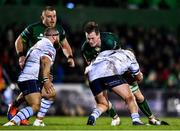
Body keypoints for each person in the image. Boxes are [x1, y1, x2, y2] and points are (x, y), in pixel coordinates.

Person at [81, 21, 169, 125]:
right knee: (111, 99)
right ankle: (119, 118)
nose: (90, 41)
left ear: (98, 35)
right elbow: (92, 64)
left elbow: (118, 55)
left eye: (92, 38)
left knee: (138, 96)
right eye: (88, 39)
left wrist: (129, 76)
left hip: (117, 70)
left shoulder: (110, 40)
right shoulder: (85, 48)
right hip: (102, 71)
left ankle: (151, 118)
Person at [7, 6, 75, 126]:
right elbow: (19, 41)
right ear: (42, 17)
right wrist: (21, 55)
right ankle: (18, 110)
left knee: (49, 93)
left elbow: (65, 45)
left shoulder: (58, 29)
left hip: (46, 66)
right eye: (49, 16)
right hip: (33, 67)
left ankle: (35, 119)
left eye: (54, 16)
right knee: (36, 94)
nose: (52, 19)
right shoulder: (33, 28)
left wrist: (69, 57)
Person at [3, 27, 59, 126]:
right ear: (54, 37)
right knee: (35, 105)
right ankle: (13, 122)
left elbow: (38, 61)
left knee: (51, 94)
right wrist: (46, 79)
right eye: (57, 35)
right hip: (29, 79)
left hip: (29, 77)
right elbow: (45, 60)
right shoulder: (49, 46)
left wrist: (46, 75)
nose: (58, 38)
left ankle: (38, 121)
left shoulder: (39, 43)